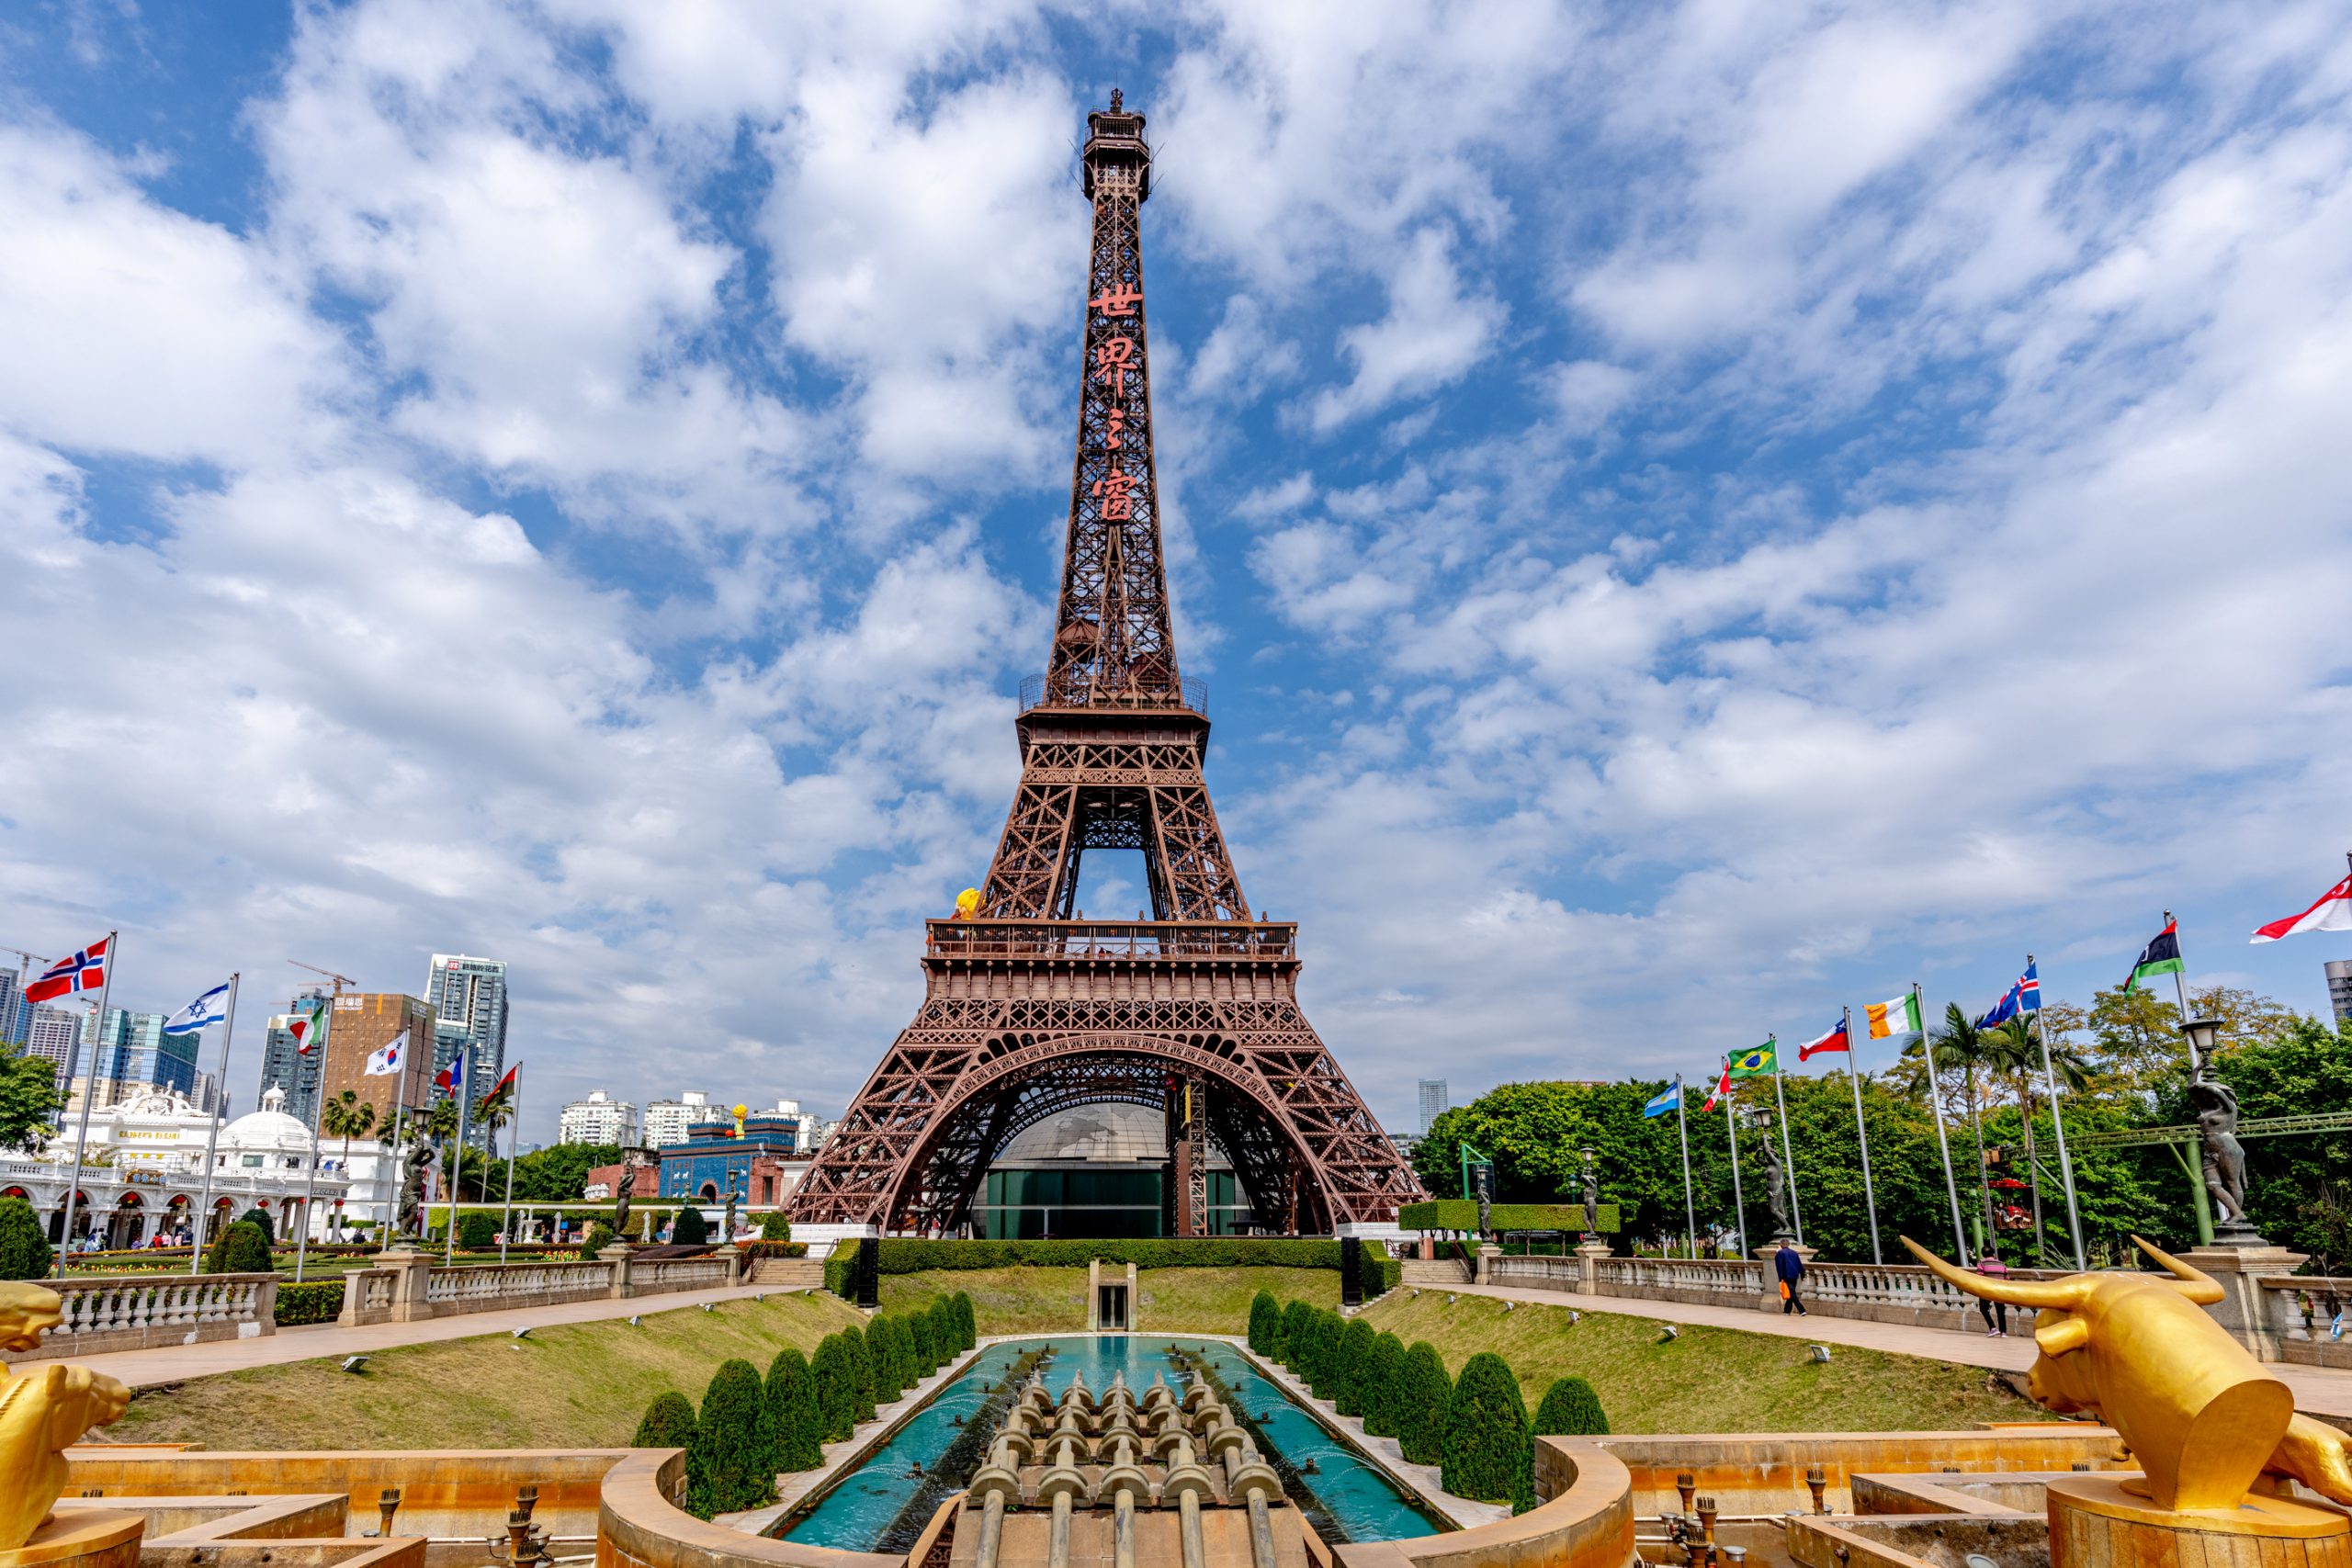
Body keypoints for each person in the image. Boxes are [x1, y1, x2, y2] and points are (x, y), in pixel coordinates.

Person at [1974, 1246, 2010, 1337]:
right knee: (2000, 1311)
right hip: (2000, 1290)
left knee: (1983, 1309)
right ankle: (2003, 1332)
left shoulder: (1982, 1263)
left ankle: (1993, 1328)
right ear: (1993, 1254)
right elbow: (2007, 1278)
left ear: (1983, 1254)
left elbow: (1979, 1276)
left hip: (1987, 1289)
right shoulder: (2001, 1264)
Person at [1774, 1240, 1807, 1315]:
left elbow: (1779, 1267)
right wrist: (1802, 1275)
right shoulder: (1794, 1253)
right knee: (1791, 1292)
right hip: (1794, 1275)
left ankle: (1802, 1310)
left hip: (1786, 1276)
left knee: (1792, 1293)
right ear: (1788, 1244)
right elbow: (1800, 1265)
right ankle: (1787, 1310)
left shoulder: (1780, 1253)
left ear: (1781, 1245)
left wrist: (1780, 1278)